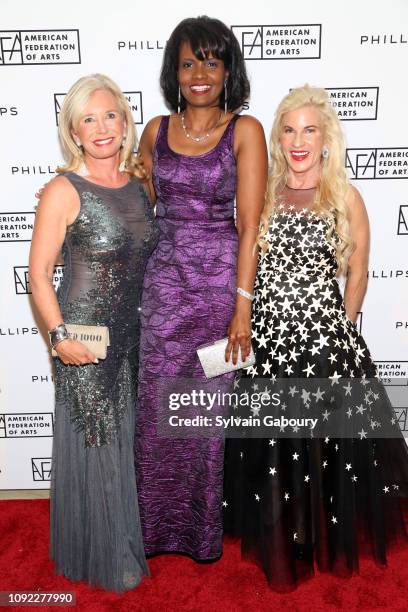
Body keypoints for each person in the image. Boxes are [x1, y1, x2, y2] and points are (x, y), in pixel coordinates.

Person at [223, 85, 408, 590]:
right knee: (277, 448)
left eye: (309, 129)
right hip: (270, 342)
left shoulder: (345, 196)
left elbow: (360, 271)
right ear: (278, 138)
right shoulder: (262, 194)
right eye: (288, 129)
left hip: (324, 343)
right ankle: (286, 536)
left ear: (326, 138)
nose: (297, 140)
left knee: (324, 452)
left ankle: (317, 536)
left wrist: (339, 332)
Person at [135, 15, 268, 560]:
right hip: (163, 293)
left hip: (217, 297)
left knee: (203, 413)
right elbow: (140, 213)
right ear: (174, 70)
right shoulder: (154, 132)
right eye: (188, 62)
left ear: (227, 68)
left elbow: (251, 225)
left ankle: (198, 534)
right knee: (155, 412)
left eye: (211, 62)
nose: (199, 74)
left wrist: (242, 308)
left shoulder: (245, 130)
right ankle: (151, 529)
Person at [29, 74, 158, 592]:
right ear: (74, 132)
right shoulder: (63, 190)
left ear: (125, 123)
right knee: (98, 439)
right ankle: (106, 556)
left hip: (132, 336)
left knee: (121, 441)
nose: (102, 128)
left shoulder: (141, 185)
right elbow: (39, 274)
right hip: (83, 336)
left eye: (110, 115)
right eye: (89, 119)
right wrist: (59, 336)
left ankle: (105, 541)